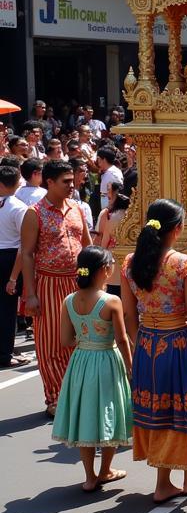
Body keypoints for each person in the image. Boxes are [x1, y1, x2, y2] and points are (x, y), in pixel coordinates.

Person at [122, 198, 187, 503]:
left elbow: (128, 313)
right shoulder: (185, 264)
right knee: (186, 408)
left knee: (159, 410)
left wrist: (140, 344)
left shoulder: (130, 262)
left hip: (148, 343)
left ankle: (168, 481)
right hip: (177, 343)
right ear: (178, 228)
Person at [51, 246, 133, 491]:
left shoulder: (69, 300)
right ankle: (106, 470)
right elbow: (121, 339)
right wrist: (131, 367)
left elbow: (65, 340)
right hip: (107, 359)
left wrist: (85, 342)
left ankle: (89, 476)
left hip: (81, 361)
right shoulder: (111, 301)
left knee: (86, 414)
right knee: (110, 411)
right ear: (105, 270)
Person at [21, 159, 91, 416]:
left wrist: (93, 281)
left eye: (72, 181)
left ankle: (78, 393)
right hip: (48, 282)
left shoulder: (76, 208)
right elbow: (27, 254)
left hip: (77, 282)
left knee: (81, 339)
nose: (72, 186)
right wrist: (30, 294)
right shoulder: (34, 213)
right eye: (66, 182)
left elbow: (87, 245)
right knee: (50, 343)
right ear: (49, 182)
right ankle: (55, 397)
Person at [0, 165, 29, 367]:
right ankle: (5, 353)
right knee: (7, 308)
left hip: (8, 255)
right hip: (9, 258)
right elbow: (23, 244)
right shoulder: (19, 207)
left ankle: (5, 350)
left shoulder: (17, 206)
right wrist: (13, 277)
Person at [95, 184, 129, 297]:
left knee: (112, 293)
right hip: (129, 261)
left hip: (113, 260)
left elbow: (104, 242)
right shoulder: (133, 217)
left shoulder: (111, 217)